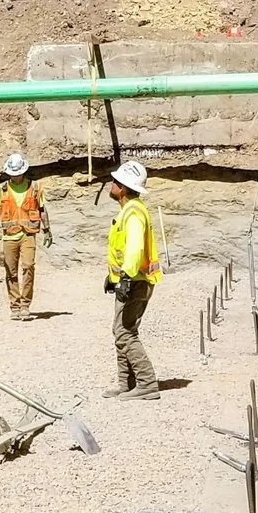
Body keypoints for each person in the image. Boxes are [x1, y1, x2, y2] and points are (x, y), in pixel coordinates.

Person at [101, 159, 163, 400]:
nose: (111, 183)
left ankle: (147, 383)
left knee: (125, 332)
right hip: (130, 279)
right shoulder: (128, 211)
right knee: (120, 330)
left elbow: (135, 249)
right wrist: (113, 277)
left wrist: (125, 276)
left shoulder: (133, 213)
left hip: (136, 281)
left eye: (116, 181)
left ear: (123, 188)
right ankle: (125, 382)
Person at [0, 153, 51, 321]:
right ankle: (15, 306)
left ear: (23, 172)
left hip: (28, 234)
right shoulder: (1, 189)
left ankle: (25, 305)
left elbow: (42, 210)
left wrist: (47, 230)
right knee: (11, 271)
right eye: (12, 175)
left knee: (28, 266)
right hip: (9, 236)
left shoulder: (35, 188)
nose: (16, 177)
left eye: (18, 174)